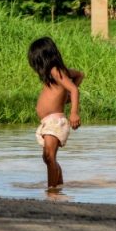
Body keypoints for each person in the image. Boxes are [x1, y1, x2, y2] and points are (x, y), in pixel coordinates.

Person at [28, 37, 83, 189]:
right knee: (48, 158)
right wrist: (64, 97)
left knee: (49, 157)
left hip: (55, 122)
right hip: (49, 122)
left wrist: (74, 112)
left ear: (43, 58)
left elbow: (74, 88)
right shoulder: (57, 73)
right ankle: (57, 186)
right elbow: (80, 75)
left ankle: (52, 189)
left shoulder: (55, 71)